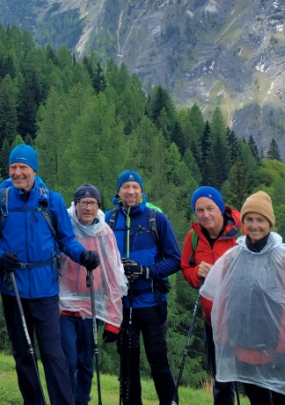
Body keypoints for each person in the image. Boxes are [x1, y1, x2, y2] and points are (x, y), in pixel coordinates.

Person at [0, 144, 100, 405]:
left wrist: (83, 255)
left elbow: (66, 239)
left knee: (53, 353)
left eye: (22, 167)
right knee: (23, 352)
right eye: (13, 167)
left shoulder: (53, 200)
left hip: (45, 289)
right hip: (12, 288)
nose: (17, 172)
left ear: (34, 169)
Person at [199, 192, 285, 405]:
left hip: (280, 352)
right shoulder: (233, 258)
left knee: (284, 401)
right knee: (257, 400)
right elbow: (225, 303)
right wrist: (225, 342)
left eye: (260, 220)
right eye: (249, 219)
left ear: (269, 223)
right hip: (245, 348)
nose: (254, 225)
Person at [105, 170, 182, 405]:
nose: (130, 191)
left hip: (151, 302)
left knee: (158, 360)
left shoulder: (155, 219)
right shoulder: (109, 221)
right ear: (118, 191)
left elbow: (174, 259)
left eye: (135, 187)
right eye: (126, 187)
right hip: (122, 305)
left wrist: (146, 271)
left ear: (141, 191)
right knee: (128, 363)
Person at [58, 184, 125, 405]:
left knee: (86, 361)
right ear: (75, 204)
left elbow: (114, 275)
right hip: (63, 306)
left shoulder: (105, 233)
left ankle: (81, 401)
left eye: (93, 203)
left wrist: (114, 321)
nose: (88, 207)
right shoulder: (64, 227)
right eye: (83, 203)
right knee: (68, 359)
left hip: (91, 306)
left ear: (99, 206)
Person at [180, 186, 242, 405]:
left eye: (210, 208)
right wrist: (196, 272)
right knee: (221, 375)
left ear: (220, 207)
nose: (205, 214)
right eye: (200, 210)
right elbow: (186, 269)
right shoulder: (193, 238)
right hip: (212, 318)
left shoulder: (240, 233)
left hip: (242, 317)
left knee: (252, 376)